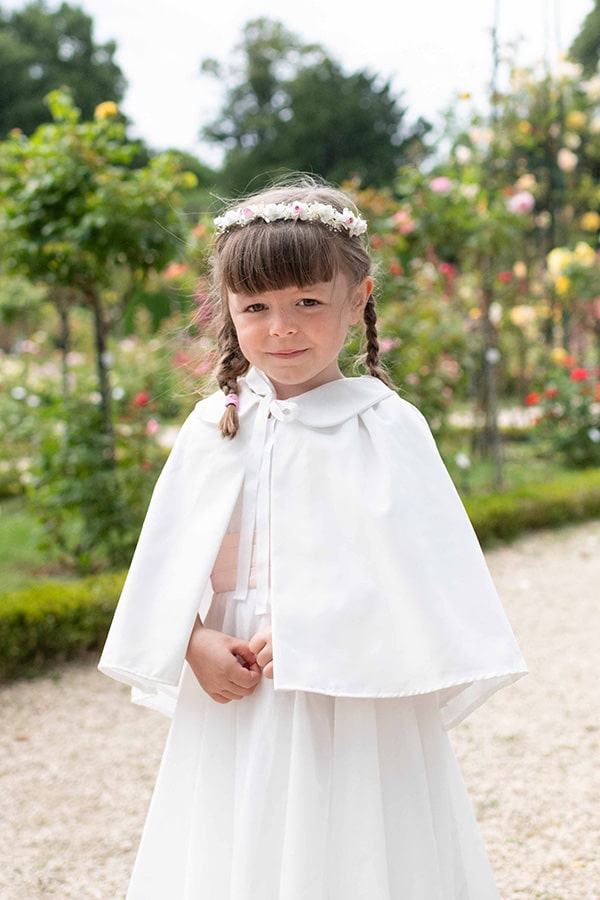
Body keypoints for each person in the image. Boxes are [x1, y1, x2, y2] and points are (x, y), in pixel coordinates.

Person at [99, 176, 527, 899]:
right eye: (256, 307)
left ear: (356, 299)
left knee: (355, 842)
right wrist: (193, 639)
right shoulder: (214, 429)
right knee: (240, 839)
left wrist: (318, 634)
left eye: (307, 302)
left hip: (356, 688)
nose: (281, 327)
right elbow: (168, 568)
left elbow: (422, 579)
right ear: (228, 312)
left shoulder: (386, 428)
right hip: (239, 684)